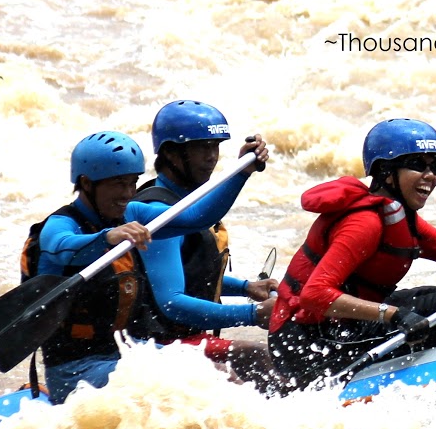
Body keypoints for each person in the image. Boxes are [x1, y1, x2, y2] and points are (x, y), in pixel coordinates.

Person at [266, 118, 436, 392]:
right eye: (417, 166)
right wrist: (393, 315)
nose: (430, 175)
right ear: (387, 172)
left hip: (337, 328)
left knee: (432, 296)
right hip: (308, 346)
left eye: (434, 167)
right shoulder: (364, 224)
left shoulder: (398, 215)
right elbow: (315, 295)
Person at [22, 130, 262, 403]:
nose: (127, 194)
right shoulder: (62, 224)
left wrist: (241, 173)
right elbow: (61, 246)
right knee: (210, 376)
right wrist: (106, 237)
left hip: (128, 353)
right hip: (75, 370)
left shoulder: (132, 213)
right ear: (87, 184)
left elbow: (197, 217)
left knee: (222, 375)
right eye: (117, 184)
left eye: (131, 183)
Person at [133, 99, 278, 381]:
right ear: (172, 154)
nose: (211, 157)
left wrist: (247, 287)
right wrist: (252, 314)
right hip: (157, 347)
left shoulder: (184, 202)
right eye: (201, 148)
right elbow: (172, 302)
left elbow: (191, 274)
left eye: (215, 147)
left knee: (258, 358)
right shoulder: (158, 212)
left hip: (186, 341)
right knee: (238, 371)